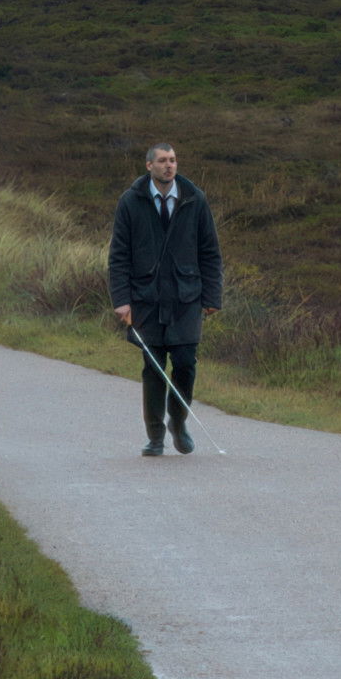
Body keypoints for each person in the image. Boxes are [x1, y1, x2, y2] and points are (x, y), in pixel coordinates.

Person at [107, 142, 221, 455]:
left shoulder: (195, 199)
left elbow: (210, 252)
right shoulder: (130, 201)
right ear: (149, 166)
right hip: (146, 298)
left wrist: (212, 295)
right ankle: (155, 436)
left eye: (172, 160)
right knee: (154, 367)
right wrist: (121, 299)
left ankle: (178, 421)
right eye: (162, 161)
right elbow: (119, 255)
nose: (169, 165)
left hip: (187, 297)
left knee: (185, 364)